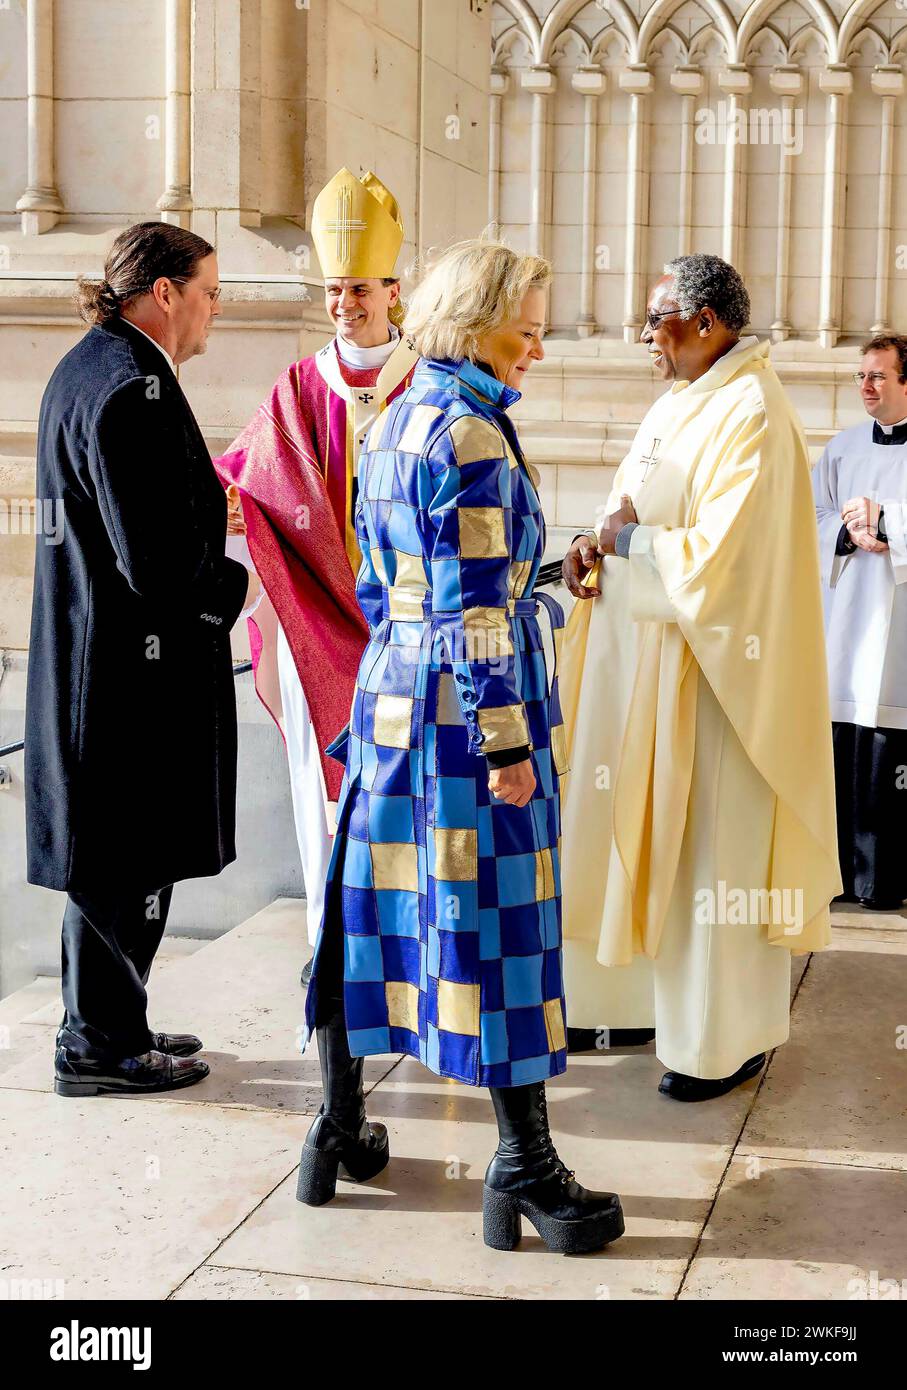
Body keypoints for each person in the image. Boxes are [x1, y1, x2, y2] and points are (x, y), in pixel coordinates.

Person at [296, 237, 624, 1255]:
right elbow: (478, 616)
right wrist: (506, 744)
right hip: (465, 720)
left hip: (390, 696)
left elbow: (373, 585)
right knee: (505, 932)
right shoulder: (472, 437)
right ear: (473, 323)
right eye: (523, 328)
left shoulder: (393, 419)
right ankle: (524, 1167)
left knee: (371, 913)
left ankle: (339, 1129)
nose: (536, 345)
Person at [558, 254, 841, 1102]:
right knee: (645, 845)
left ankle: (724, 1040)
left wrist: (626, 547)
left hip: (719, 683)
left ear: (708, 321)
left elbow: (725, 564)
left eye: (657, 320)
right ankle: (638, 1002)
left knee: (710, 861)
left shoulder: (751, 411)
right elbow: (631, 507)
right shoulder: (681, 402)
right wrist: (590, 543)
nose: (645, 336)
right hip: (648, 666)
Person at [25, 222, 259, 1097]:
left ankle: (112, 1022)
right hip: (127, 675)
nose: (213, 310)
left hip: (107, 664)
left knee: (124, 857)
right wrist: (238, 583)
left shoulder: (95, 364)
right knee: (118, 861)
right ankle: (98, 1048)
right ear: (163, 292)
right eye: (208, 291)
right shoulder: (129, 387)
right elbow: (155, 566)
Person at [214, 170, 418, 980]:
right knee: (319, 787)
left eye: (359, 289)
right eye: (334, 290)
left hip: (407, 626)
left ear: (393, 290)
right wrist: (234, 506)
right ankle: (328, 942)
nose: (344, 304)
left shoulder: (428, 381)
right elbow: (245, 471)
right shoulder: (300, 385)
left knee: (403, 790)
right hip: (312, 620)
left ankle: (398, 941)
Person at [813, 334, 907, 910]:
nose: (866, 387)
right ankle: (843, 876)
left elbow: (887, 520)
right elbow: (812, 515)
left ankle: (889, 881)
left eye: (878, 376)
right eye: (861, 377)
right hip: (849, 626)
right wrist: (847, 533)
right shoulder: (842, 449)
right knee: (845, 748)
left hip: (899, 629)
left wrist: (888, 522)